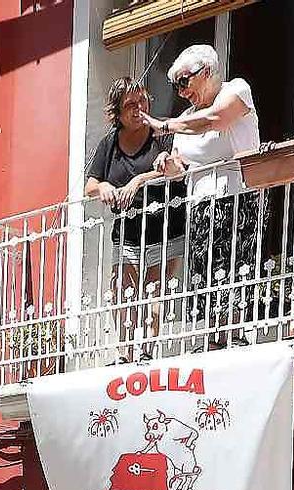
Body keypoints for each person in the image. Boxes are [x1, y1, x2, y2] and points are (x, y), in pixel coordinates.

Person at [145, 44, 261, 344]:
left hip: (236, 196)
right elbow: (180, 166)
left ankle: (235, 334)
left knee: (235, 266)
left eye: (184, 82)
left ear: (206, 71)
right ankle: (211, 337)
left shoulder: (236, 90)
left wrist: (167, 125)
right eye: (176, 86)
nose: (182, 92)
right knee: (205, 271)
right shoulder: (187, 117)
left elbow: (216, 120)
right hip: (200, 203)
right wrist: (167, 163)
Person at [87, 76, 181, 358]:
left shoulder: (161, 133)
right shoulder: (110, 144)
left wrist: (139, 180)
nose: (138, 107)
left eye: (141, 100)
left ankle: (146, 352)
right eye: (130, 104)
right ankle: (125, 353)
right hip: (127, 228)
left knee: (154, 290)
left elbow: (177, 166)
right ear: (117, 112)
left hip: (164, 223)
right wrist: (103, 186)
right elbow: (90, 184)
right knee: (121, 290)